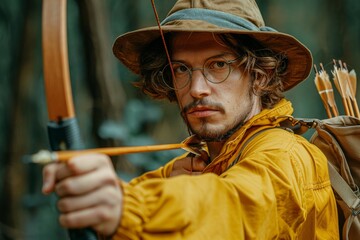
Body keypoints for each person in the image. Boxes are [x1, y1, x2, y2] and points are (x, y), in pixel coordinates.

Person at [42, 0, 339, 239]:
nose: (196, 89)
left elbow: (234, 206)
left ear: (261, 76)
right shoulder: (199, 166)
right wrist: (109, 199)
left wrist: (125, 209)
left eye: (218, 64)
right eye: (181, 69)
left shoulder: (286, 157)